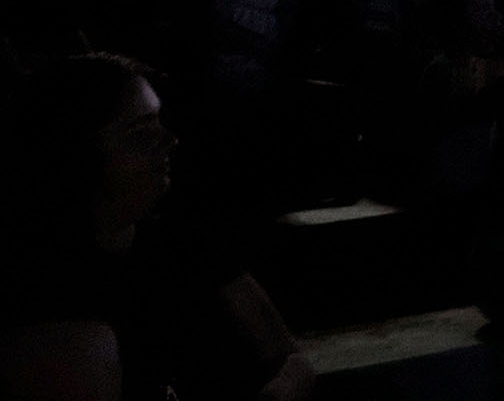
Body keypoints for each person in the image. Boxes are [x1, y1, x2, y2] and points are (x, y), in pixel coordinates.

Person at [0, 53, 315, 401]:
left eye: (160, 122)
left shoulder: (185, 242)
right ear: (77, 155)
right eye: (140, 134)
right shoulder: (47, 297)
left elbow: (289, 355)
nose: (170, 141)